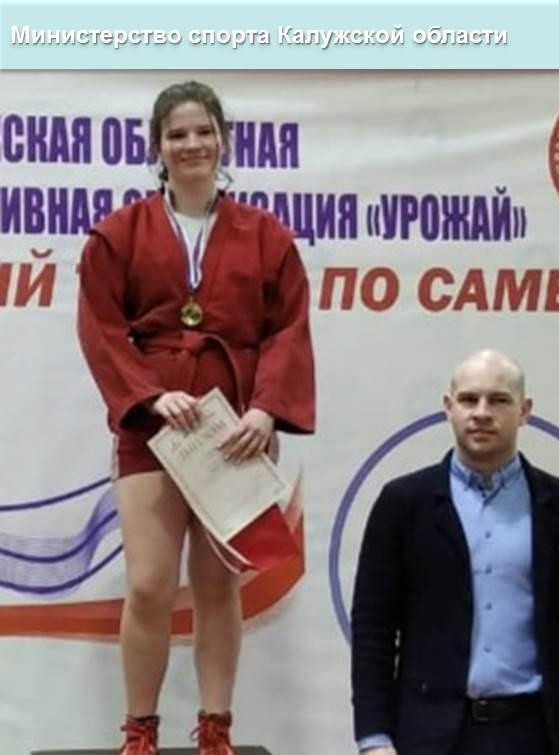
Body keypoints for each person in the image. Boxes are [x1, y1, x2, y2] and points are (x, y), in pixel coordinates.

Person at [77, 81, 315, 755]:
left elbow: (288, 328)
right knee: (150, 584)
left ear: (224, 141)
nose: (192, 145)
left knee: (217, 583)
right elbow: (100, 328)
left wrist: (266, 409)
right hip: (153, 429)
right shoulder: (118, 234)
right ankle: (139, 729)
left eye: (204, 131)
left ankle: (215, 728)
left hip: (234, 428)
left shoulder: (266, 235)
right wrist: (149, 396)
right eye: (177, 134)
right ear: (157, 147)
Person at [350, 349, 559, 755]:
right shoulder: (402, 504)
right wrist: (374, 739)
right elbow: (373, 628)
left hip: (540, 734)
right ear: (448, 408)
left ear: (525, 411)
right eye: (469, 399)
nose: (481, 413)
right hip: (427, 736)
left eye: (498, 400)